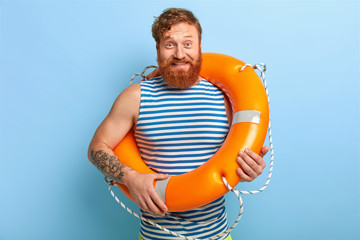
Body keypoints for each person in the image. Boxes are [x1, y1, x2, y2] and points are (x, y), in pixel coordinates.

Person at [88, 8, 268, 240]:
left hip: (217, 236)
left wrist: (248, 168)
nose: (180, 54)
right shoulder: (135, 97)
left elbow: (236, 155)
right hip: (156, 236)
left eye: (188, 44)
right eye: (170, 44)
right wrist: (129, 177)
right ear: (158, 50)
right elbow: (96, 148)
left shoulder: (225, 99)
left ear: (200, 47)